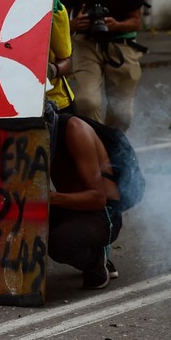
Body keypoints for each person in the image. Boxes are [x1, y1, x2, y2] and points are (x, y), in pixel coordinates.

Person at [56, 0, 147, 133]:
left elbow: (136, 21)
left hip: (121, 41)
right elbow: (59, 23)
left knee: (122, 112)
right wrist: (74, 24)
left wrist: (116, 25)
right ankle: (93, 147)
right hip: (85, 41)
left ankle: (113, 148)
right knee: (87, 101)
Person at [45, 105, 123, 290]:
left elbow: (98, 199)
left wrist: (50, 199)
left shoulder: (75, 131)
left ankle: (96, 263)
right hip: (71, 207)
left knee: (60, 243)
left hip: (103, 211)